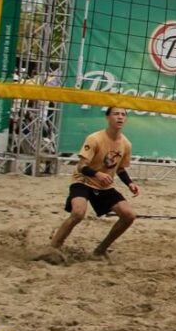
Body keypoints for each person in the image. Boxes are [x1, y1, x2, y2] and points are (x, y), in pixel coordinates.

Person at [49, 107, 140, 257]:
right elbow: (81, 166)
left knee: (129, 215)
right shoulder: (95, 138)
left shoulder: (126, 144)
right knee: (78, 213)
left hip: (104, 186)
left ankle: (100, 250)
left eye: (123, 115)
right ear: (107, 118)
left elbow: (120, 169)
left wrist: (130, 183)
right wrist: (97, 174)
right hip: (83, 181)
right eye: (116, 114)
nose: (120, 117)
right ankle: (53, 247)